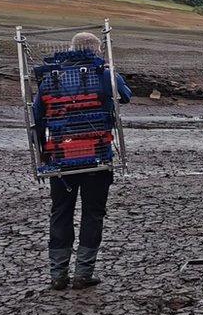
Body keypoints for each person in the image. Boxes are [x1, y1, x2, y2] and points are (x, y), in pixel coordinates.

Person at [34, 32, 132, 291]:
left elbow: (36, 116)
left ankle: (58, 276)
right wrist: (110, 74)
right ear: (97, 51)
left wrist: (44, 151)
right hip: (97, 157)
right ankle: (83, 274)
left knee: (60, 214)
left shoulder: (49, 78)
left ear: (71, 48)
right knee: (92, 214)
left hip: (61, 159)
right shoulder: (104, 73)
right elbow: (125, 95)